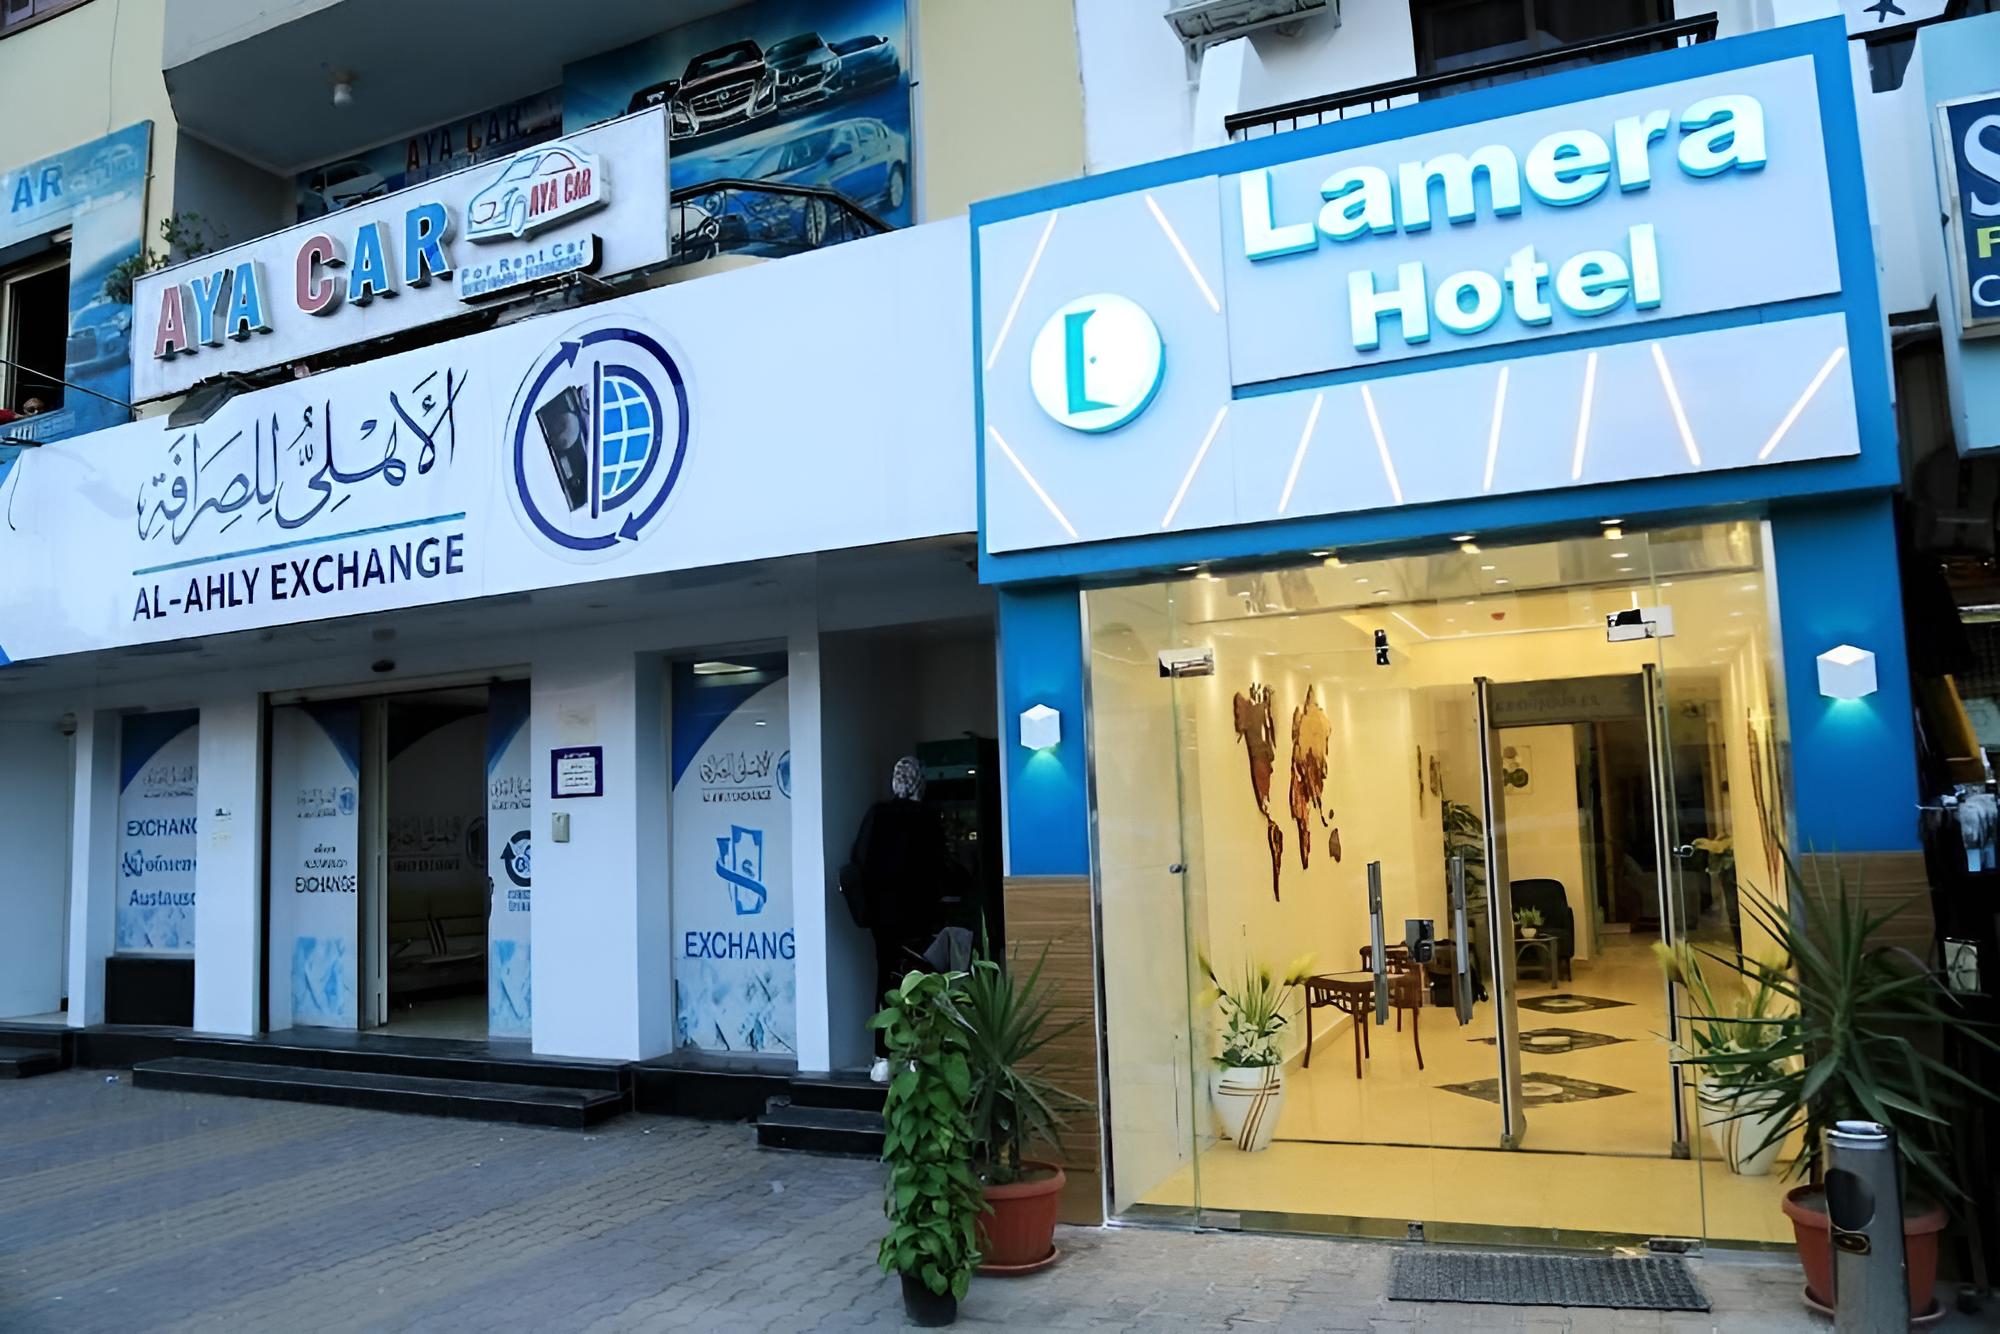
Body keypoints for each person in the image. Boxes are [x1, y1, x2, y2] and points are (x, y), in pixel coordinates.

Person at [847, 755, 952, 1082]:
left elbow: (857, 862)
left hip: (882, 919)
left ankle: (882, 1058)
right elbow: (941, 870)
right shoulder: (927, 818)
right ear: (920, 783)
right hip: (918, 918)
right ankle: (915, 1056)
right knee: (919, 981)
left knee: (885, 980)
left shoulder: (876, 815)